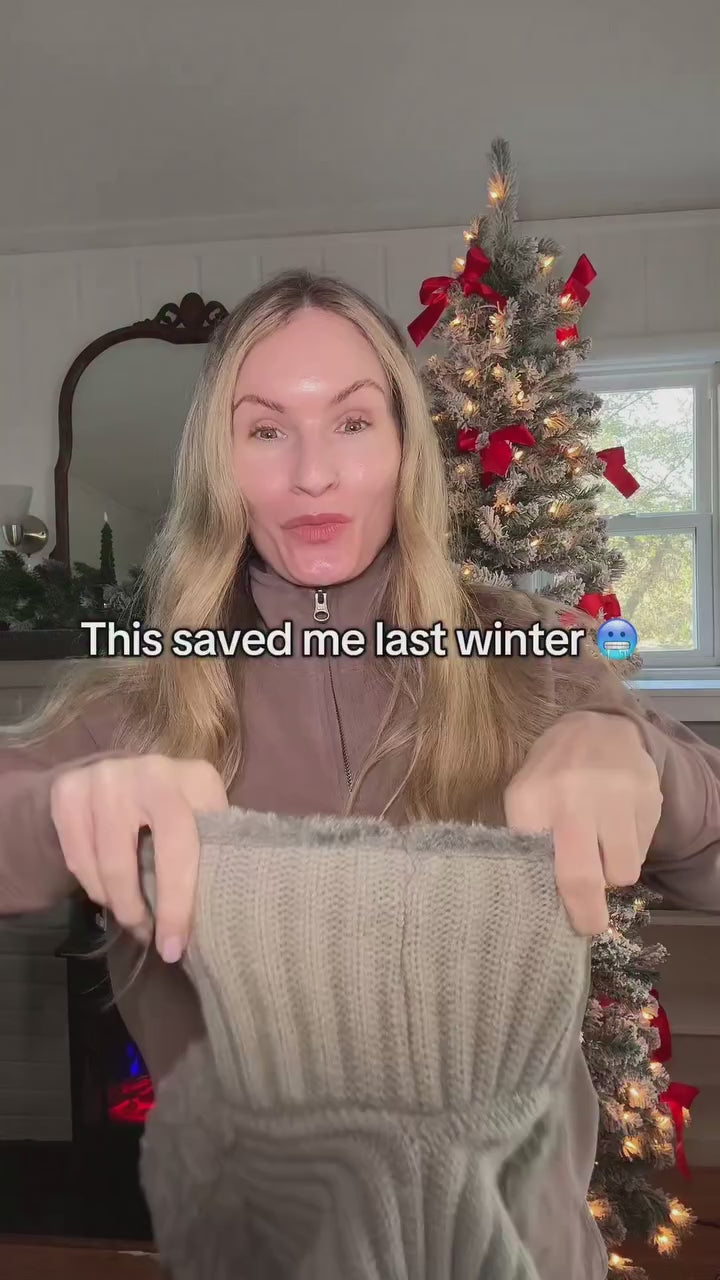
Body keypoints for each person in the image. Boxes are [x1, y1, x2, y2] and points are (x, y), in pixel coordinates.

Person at [1, 270, 719, 1278]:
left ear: (404, 446)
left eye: (351, 423)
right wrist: (52, 811)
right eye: (265, 431)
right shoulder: (140, 693)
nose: (314, 476)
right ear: (220, 464)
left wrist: (637, 754)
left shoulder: (532, 656)